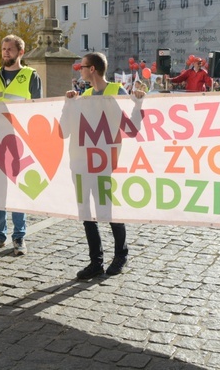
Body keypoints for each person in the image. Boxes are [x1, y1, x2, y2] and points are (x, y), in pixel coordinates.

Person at [66, 52, 145, 279]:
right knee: (86, 213)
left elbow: (131, 129)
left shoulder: (115, 92)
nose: (79, 70)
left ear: (92, 69)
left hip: (106, 162)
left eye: (82, 66)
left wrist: (138, 105)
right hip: (84, 161)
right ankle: (96, 262)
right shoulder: (87, 94)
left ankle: (121, 255)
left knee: (110, 210)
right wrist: (70, 104)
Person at [0, 34, 42, 257]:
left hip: (19, 142)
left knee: (17, 190)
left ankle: (19, 236)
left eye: (10, 49)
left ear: (20, 53)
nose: (5, 52)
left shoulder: (30, 76)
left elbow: (37, 109)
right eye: (3, 48)